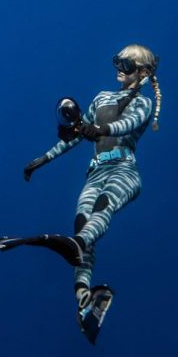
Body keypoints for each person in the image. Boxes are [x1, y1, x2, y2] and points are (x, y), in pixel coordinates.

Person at [23, 44, 162, 311]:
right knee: (82, 222)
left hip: (123, 170)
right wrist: (44, 158)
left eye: (127, 65)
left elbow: (127, 124)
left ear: (142, 73)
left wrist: (98, 129)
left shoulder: (144, 103)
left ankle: (78, 244)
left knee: (102, 208)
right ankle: (82, 294)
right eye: (117, 62)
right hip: (96, 171)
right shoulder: (101, 98)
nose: (119, 69)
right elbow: (76, 134)